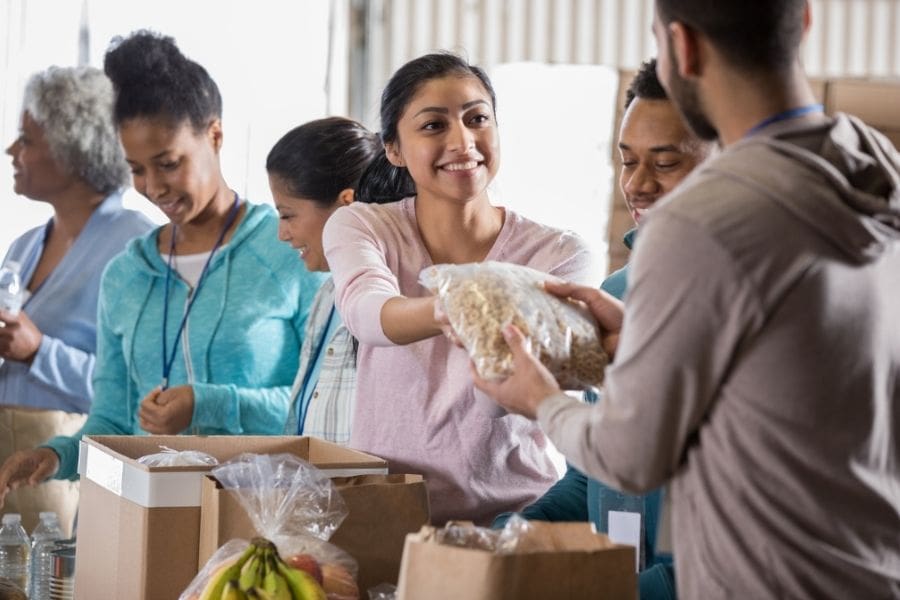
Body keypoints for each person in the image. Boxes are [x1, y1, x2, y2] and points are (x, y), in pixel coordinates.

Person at [475, 0, 900, 597]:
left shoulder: (702, 220)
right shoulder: (871, 173)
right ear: (804, 22)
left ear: (682, 48)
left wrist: (540, 400)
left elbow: (630, 459)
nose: (642, 181)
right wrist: (635, 343)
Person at [0, 30, 325, 502]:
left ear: (214, 134)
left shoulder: (288, 251)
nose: (153, 187)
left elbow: (317, 407)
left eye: (168, 163)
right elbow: (111, 422)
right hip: (150, 522)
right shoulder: (126, 275)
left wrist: (206, 402)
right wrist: (57, 456)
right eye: (136, 169)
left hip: (263, 518)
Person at [322, 52, 599, 525]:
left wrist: (487, 320)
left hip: (523, 518)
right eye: (433, 126)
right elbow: (366, 313)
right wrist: (458, 307)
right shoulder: (363, 225)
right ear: (394, 148)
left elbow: (502, 399)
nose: (463, 141)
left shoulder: (560, 253)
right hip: (391, 516)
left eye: (478, 119)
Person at [493, 59, 711, 600]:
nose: (637, 184)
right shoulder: (613, 294)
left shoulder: (743, 306)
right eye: (627, 160)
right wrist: (511, 536)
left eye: (665, 163)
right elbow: (593, 470)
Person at [0, 66, 153, 534]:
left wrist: (40, 351)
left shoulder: (134, 246)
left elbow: (137, 396)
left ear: (72, 149)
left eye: (26, 139)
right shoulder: (25, 245)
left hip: (61, 468)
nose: (11, 151)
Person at [266, 117, 380, 444]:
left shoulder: (383, 303)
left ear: (348, 205)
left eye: (288, 215)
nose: (282, 233)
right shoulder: (328, 294)